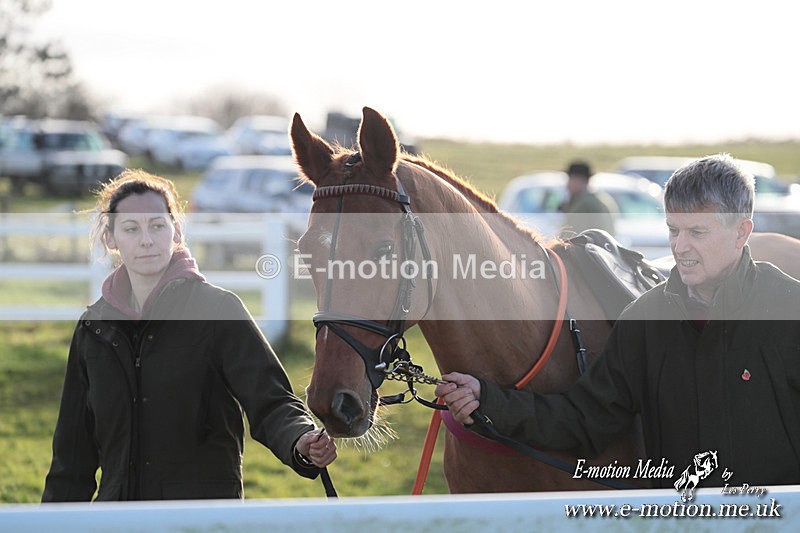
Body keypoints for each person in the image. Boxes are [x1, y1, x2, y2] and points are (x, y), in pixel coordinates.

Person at [436, 154, 800, 488]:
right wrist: (488, 401)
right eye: (674, 230)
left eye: (697, 232)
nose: (680, 246)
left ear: (741, 231)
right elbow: (584, 420)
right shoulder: (644, 319)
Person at [42, 170, 336, 501]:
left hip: (202, 518)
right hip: (117, 518)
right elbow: (71, 457)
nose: (146, 240)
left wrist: (300, 440)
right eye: (130, 229)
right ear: (111, 239)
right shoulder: (93, 329)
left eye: (157, 225)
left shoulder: (218, 310)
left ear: (176, 230)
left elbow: (271, 401)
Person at [560, 160, 617, 237]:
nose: (567, 185)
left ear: (578, 180)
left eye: (570, 179)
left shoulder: (584, 203)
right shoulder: (601, 198)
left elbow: (569, 235)